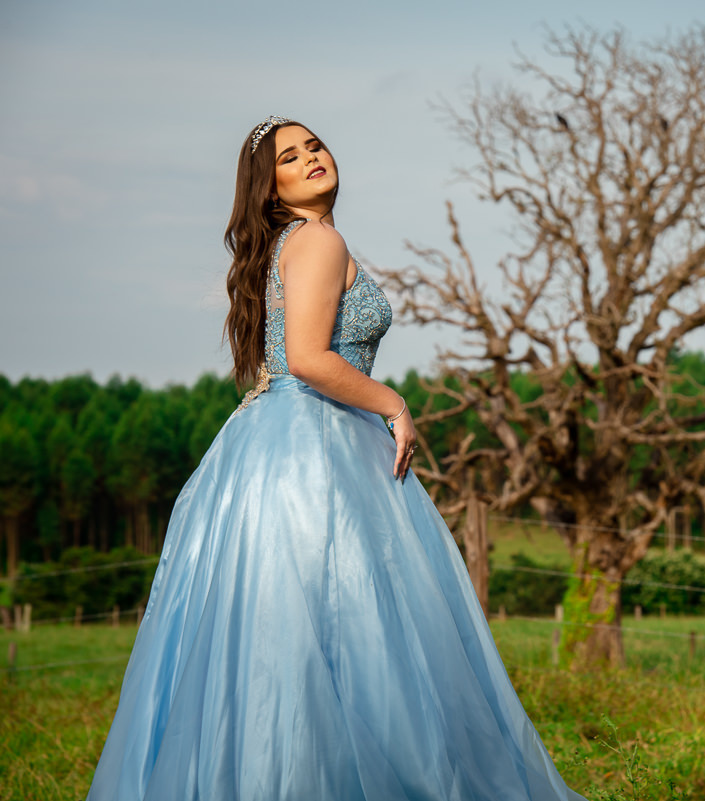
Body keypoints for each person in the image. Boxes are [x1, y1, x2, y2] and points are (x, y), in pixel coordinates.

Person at [85, 116, 590, 801]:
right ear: (272, 188)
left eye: (313, 145)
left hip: (269, 449)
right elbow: (309, 359)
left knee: (286, 637)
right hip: (316, 448)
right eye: (289, 157)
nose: (310, 158)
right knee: (353, 629)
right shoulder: (318, 239)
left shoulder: (287, 244)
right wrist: (392, 402)